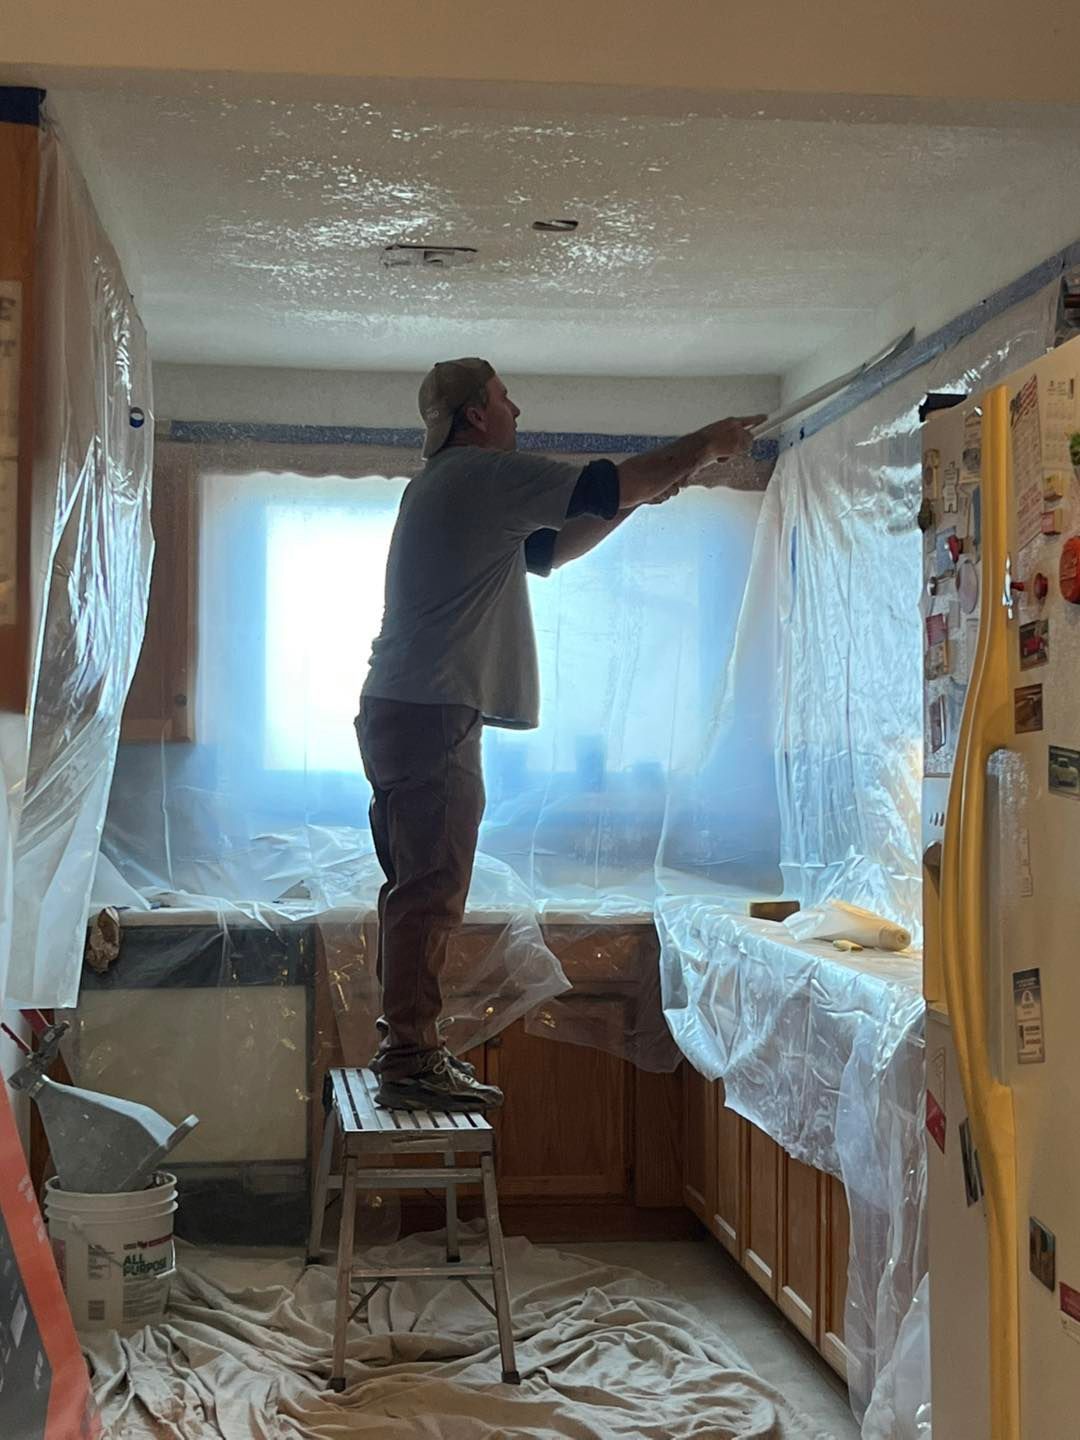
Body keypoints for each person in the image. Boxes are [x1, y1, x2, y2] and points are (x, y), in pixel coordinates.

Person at [356, 356, 762, 1111]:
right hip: (430, 711)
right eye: (507, 401)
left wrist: (643, 496)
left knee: (419, 890)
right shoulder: (478, 473)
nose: (519, 412)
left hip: (411, 710)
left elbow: (552, 549)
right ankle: (410, 1058)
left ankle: (409, 1048)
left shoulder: (455, 491)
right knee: (431, 893)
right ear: (476, 415)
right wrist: (705, 444)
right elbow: (606, 484)